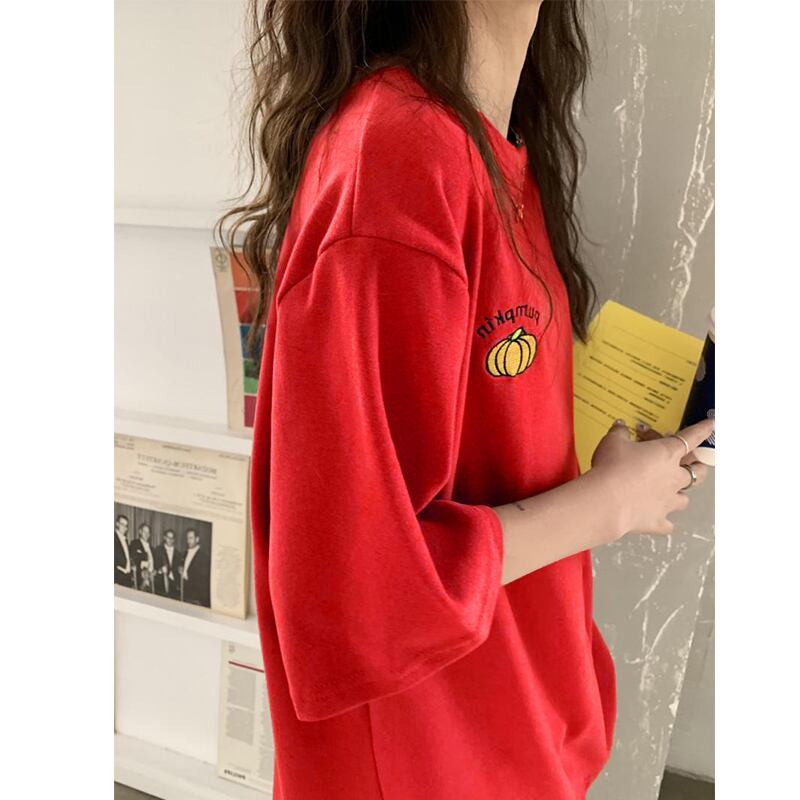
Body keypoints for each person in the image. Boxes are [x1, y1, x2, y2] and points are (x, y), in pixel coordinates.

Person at [217, 2, 714, 798]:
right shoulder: (398, 153)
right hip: (433, 760)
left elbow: (481, 441)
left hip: (516, 735)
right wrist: (612, 502)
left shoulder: (486, 145)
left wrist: (623, 470)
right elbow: (357, 593)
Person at [180, 528, 211, 607]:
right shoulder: (185, 553)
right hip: (185, 594)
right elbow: (184, 568)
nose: (188, 541)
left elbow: (203, 580)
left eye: (191, 538)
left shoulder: (204, 557)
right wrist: (181, 570)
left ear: (197, 539)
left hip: (196, 598)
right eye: (187, 538)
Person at [154, 528, 182, 598]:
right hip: (161, 583)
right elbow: (155, 567)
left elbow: (179, 568)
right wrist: (160, 570)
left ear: (174, 540)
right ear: (164, 537)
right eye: (168, 537)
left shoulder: (178, 554)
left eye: (172, 538)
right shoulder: (158, 550)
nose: (170, 540)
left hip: (175, 585)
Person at [130, 522, 156, 592]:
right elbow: (132, 558)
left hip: (152, 580)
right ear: (140, 532)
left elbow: (155, 564)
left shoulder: (152, 548)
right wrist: (141, 563)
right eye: (144, 532)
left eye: (148, 532)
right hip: (140, 578)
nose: (146, 534)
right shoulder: (135, 543)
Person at [114, 514, 132, 587]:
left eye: (126, 525)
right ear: (117, 524)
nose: (124, 527)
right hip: (117, 576)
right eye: (122, 524)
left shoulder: (125, 540)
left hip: (126, 576)